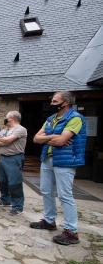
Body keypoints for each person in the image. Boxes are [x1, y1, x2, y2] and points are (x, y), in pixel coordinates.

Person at [30, 91, 86, 245]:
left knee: (65, 195)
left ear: (65, 103)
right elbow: (36, 138)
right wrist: (52, 138)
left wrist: (50, 138)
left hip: (65, 161)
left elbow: (62, 141)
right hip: (47, 159)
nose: (51, 104)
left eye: (55, 101)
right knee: (46, 190)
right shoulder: (51, 119)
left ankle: (71, 231)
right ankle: (49, 221)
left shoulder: (75, 118)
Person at [0, 111, 27, 215]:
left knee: (14, 183)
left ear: (12, 118)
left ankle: (17, 206)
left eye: (6, 117)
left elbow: (8, 140)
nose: (5, 119)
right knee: (2, 180)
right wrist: (2, 141)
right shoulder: (4, 130)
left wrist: (1, 141)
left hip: (15, 158)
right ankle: (5, 200)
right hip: (3, 157)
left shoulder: (21, 129)